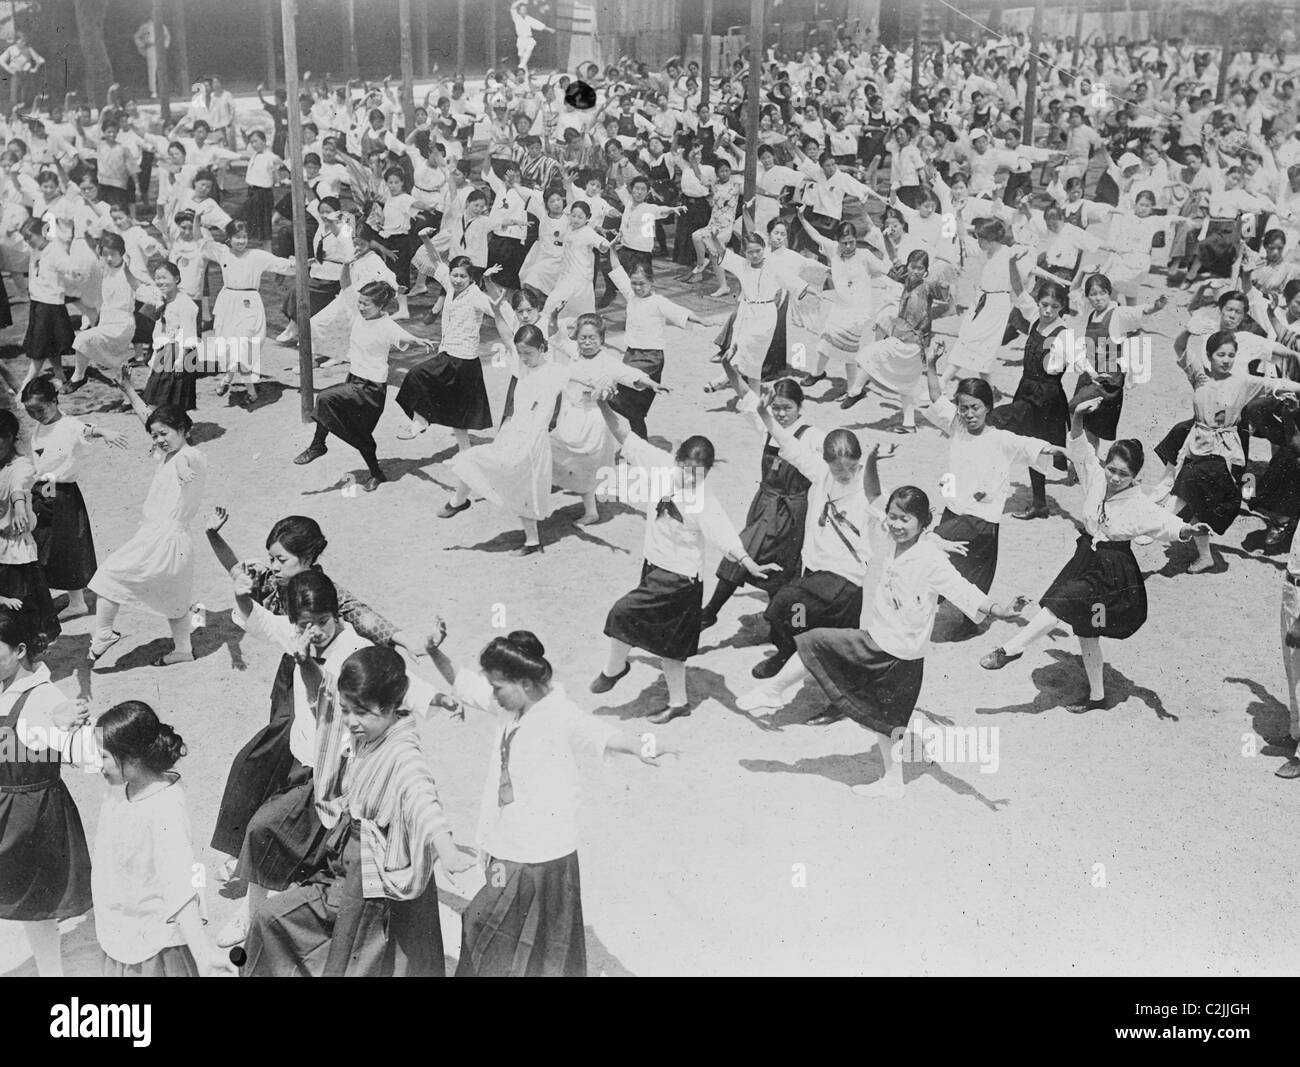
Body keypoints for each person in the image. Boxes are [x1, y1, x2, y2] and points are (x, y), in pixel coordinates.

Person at [738, 452, 1025, 798]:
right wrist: (871, 460)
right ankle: (893, 782)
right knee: (887, 723)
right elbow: (873, 495)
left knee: (815, 642)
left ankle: (772, 691)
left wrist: (999, 609)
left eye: (904, 520)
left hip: (893, 650)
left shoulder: (932, 559)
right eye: (892, 518)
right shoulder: (892, 538)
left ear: (924, 522)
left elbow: (963, 590)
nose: (895, 525)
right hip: (893, 648)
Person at [429, 630, 672, 976]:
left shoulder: (557, 713)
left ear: (525, 683)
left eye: (497, 686)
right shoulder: (509, 705)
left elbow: (596, 733)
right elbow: (463, 682)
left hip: (539, 857)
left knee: (491, 928)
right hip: (505, 846)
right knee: (513, 935)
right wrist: (433, 651)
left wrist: (642, 746)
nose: (493, 695)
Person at [241, 646, 478, 977]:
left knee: (358, 959)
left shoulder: (403, 753)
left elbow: (424, 801)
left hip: (374, 878)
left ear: (394, 707)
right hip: (355, 859)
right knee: (281, 922)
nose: (350, 721)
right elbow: (322, 692)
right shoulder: (368, 727)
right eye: (346, 710)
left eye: (362, 713)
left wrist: (448, 852)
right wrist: (305, 661)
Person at [981, 398, 1210, 712]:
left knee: (1060, 602)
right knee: (1086, 633)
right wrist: (1076, 416)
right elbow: (1079, 447)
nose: (1116, 478)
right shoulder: (1095, 476)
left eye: (1124, 474)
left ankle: (1011, 648)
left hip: (1111, 570)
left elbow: (1166, 524)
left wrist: (1188, 530)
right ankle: (1098, 697)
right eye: (1113, 470)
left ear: (1135, 477)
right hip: (1084, 557)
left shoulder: (1139, 504)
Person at [591, 398, 779, 723]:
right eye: (686, 471)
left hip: (680, 581)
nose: (690, 479)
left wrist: (749, 563)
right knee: (669, 648)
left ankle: (614, 669)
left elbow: (726, 537)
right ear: (676, 459)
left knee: (624, 613)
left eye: (699, 475)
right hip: (653, 569)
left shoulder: (704, 501)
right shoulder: (661, 465)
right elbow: (624, 433)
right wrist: (602, 402)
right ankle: (679, 703)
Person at [92, 700, 232, 976]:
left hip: (155, 950)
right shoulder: (121, 787)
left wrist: (202, 954)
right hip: (121, 931)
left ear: (132, 758)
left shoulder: (164, 809)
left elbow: (182, 883)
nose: (97, 764)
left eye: (104, 756)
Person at [920, 360, 1062, 616]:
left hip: (981, 520)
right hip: (955, 510)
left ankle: (962, 615)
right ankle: (947, 611)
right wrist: (931, 365)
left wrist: (1062, 452)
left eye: (975, 408)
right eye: (963, 408)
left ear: (988, 407)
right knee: (957, 567)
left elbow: (1030, 446)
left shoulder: (1000, 439)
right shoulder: (957, 426)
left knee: (940, 552)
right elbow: (935, 396)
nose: (969, 414)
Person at [87, 373, 207, 668]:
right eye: (154, 436)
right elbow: (149, 417)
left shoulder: (190, 457)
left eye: (164, 434)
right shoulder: (168, 452)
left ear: (184, 430)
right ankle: (183, 649)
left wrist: (180, 467)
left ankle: (102, 634)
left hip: (163, 538)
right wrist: (128, 388)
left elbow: (186, 461)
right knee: (176, 599)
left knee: (108, 576)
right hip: (173, 541)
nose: (158, 440)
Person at [0, 607, 94, 976]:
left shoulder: (43, 696)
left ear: (20, 650)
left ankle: (51, 973)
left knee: (35, 906)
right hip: (7, 802)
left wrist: (71, 721)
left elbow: (75, 747)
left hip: (32, 812)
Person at [701, 374, 824, 632]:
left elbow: (833, 464)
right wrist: (728, 370)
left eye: (787, 408)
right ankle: (718, 614)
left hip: (790, 509)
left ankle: (712, 613)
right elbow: (747, 396)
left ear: (800, 407)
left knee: (767, 560)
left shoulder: (812, 436)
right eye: (776, 408)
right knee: (754, 554)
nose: (780, 414)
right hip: (764, 503)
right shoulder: (768, 427)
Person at [440, 325, 569, 555]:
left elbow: (583, 377)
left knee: (525, 489)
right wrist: (497, 308)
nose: (523, 358)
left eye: (528, 353)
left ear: (542, 348)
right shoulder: (522, 367)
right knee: (475, 460)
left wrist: (607, 386)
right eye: (520, 353)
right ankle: (459, 501)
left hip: (533, 442)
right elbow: (507, 335)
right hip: (513, 434)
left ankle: (532, 541)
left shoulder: (556, 371)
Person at [295, 281, 434, 492]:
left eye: (366, 304)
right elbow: (345, 284)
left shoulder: (386, 325)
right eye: (360, 302)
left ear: (380, 307)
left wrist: (419, 340)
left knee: (325, 398)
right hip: (354, 381)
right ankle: (377, 474)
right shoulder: (360, 317)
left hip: (371, 389)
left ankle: (317, 445)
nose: (361, 307)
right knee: (359, 432)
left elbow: (403, 336)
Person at [22, 378, 126, 621]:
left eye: (41, 409)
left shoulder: (68, 424)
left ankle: (77, 603)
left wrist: (105, 431)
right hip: (44, 489)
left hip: (61, 493)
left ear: (54, 401)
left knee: (65, 546)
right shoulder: (41, 426)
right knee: (40, 543)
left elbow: (86, 430)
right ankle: (44, 597)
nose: (37, 415)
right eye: (30, 412)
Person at [396, 248, 498, 455]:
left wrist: (489, 284)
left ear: (471, 278)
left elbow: (497, 309)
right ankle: (422, 421)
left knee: (455, 408)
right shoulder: (450, 287)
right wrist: (425, 239)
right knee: (423, 381)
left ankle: (425, 424)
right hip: (449, 355)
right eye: (455, 275)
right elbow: (435, 259)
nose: (458, 279)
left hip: (464, 360)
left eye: (463, 276)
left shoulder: (476, 296)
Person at [989, 277, 1073, 519]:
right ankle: (1039, 503)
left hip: (1045, 398)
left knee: (997, 421)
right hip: (1026, 390)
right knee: (1031, 448)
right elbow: (1017, 290)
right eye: (1044, 304)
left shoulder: (1064, 333)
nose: (1047, 310)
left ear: (1062, 307)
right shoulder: (1035, 320)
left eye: (1054, 306)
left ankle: (1036, 500)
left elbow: (1071, 362)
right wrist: (1013, 265)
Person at [204, 220, 296, 403]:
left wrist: (296, 263)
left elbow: (281, 265)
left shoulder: (256, 256)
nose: (241, 241)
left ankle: (250, 391)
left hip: (249, 303)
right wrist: (199, 217)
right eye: (237, 237)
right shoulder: (222, 252)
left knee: (244, 344)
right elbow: (201, 241)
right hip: (228, 303)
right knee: (229, 345)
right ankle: (228, 378)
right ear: (229, 239)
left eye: (244, 237)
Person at [0, 410, 60, 646]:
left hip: (14, 554)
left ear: (10, 438)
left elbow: (19, 488)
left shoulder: (21, 466)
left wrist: (21, 509)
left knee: (21, 613)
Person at [139, 260, 200, 413]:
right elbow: (140, 295)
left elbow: (190, 334)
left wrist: (181, 361)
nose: (160, 281)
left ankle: (181, 430)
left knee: (174, 399)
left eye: (164, 277)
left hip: (179, 353)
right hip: (164, 351)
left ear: (177, 279)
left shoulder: (186, 304)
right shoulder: (163, 299)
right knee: (157, 396)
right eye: (157, 278)